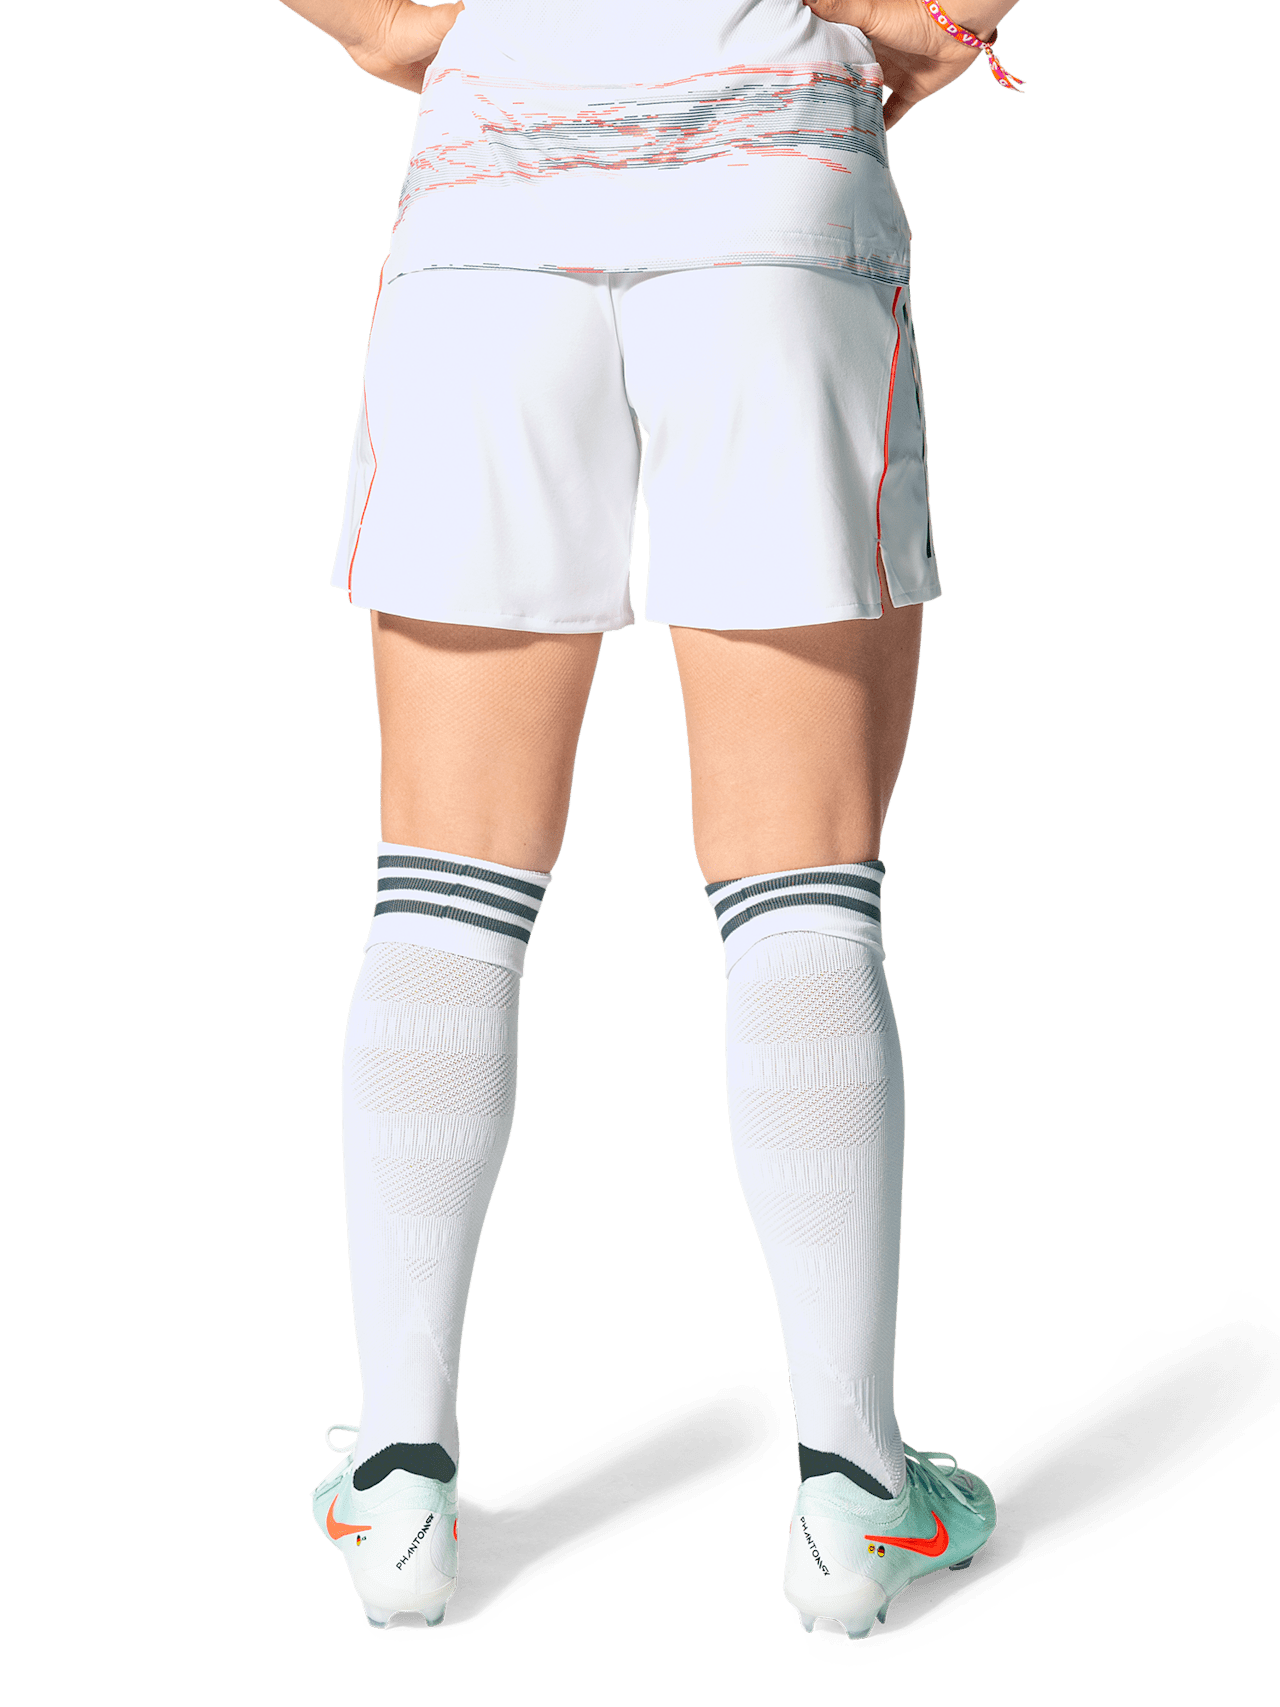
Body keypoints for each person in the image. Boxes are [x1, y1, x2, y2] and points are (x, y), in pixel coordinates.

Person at [288, 0, 1022, 1642]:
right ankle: (858, 1491)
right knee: (805, 881)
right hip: (774, 187)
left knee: (443, 881)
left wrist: (415, 29)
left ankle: (400, 1485)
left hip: (492, 203)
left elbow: (389, 22)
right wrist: (912, 41)